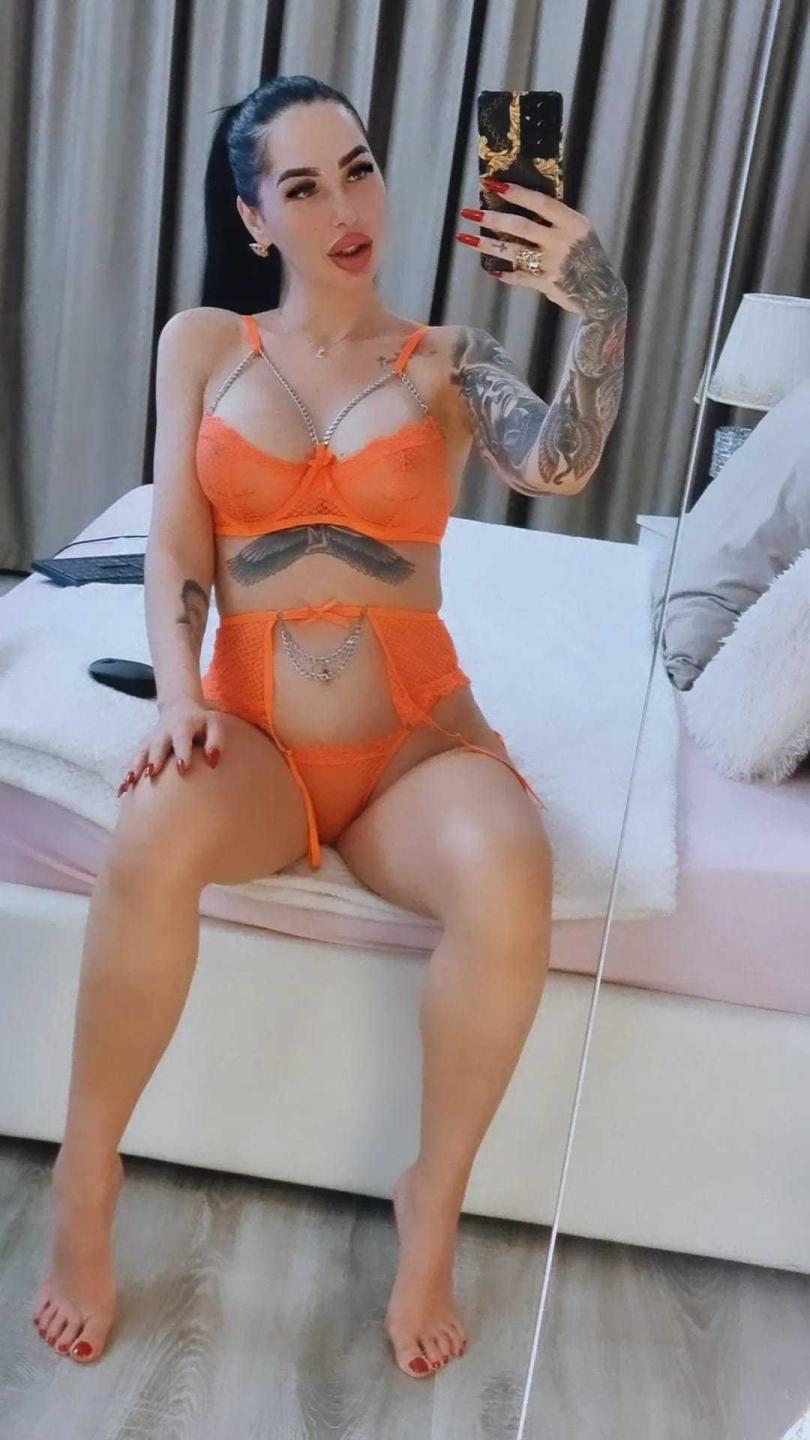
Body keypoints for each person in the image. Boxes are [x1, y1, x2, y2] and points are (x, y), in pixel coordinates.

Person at [32, 75, 627, 1378]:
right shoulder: (203, 343)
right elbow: (176, 542)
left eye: (356, 170)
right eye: (301, 187)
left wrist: (598, 306)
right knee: (152, 827)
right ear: (254, 219)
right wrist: (179, 696)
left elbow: (563, 465)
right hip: (255, 734)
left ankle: (432, 1203)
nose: (344, 207)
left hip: (413, 744)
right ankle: (86, 1175)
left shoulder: (450, 359)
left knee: (511, 870)